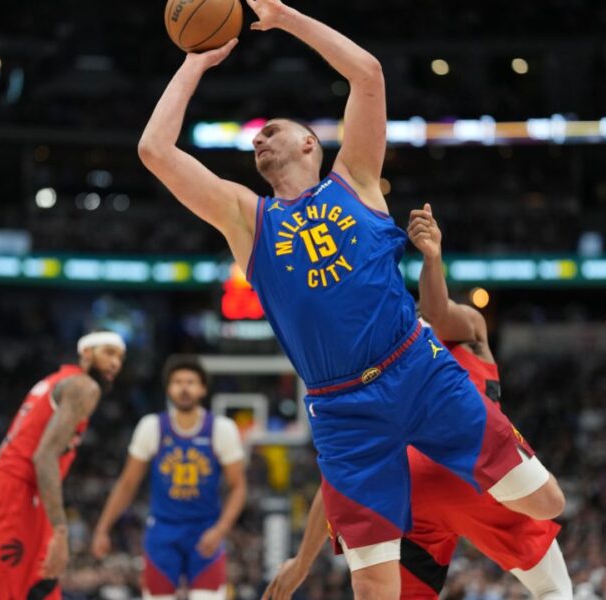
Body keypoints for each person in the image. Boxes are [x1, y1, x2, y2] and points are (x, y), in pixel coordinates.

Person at [138, 1, 564, 596]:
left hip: (417, 370)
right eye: (256, 137)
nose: (259, 138)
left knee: (547, 502)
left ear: (310, 143)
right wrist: (196, 60)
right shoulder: (246, 219)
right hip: (342, 411)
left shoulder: (356, 178)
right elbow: (154, 150)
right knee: (374, 591)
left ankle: (466, 482)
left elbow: (367, 73)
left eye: (272, 130)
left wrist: (284, 17)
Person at [262, 205, 573, 600]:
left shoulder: (360, 366)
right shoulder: (459, 330)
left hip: (408, 496)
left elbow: (338, 481)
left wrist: (301, 562)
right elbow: (437, 313)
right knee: (554, 584)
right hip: (471, 472)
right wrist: (431, 257)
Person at [0, 331, 126, 600]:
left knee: (43, 581)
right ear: (87, 353)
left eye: (120, 357)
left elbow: (0, 452)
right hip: (23, 490)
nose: (115, 363)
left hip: (17, 487)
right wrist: (61, 530)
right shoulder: (85, 386)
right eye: (108, 353)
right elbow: (44, 456)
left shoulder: (52, 381)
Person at [90, 355, 247, 600]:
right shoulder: (151, 427)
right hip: (163, 532)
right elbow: (127, 484)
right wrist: (103, 528)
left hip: (206, 530)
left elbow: (238, 487)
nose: (184, 388)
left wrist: (221, 530)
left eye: (190, 382)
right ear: (168, 389)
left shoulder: (222, 429)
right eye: (177, 382)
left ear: (203, 389)